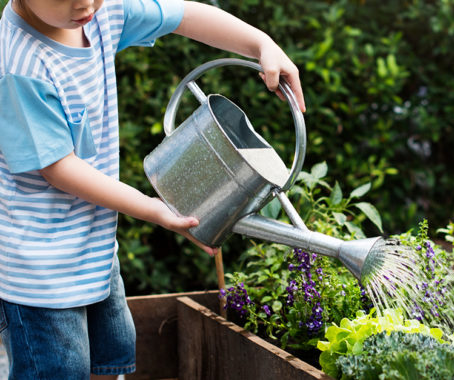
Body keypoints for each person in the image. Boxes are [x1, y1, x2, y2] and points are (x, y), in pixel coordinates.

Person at [0, 0, 306, 378]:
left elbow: (185, 15)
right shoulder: (21, 65)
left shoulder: (100, 14)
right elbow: (59, 168)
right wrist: (151, 207)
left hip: (93, 249)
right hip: (40, 270)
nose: (87, 4)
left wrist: (261, 44)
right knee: (61, 369)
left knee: (111, 356)